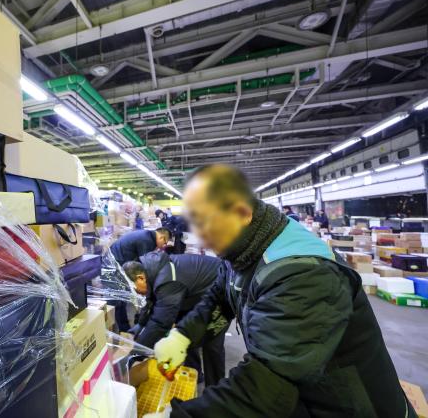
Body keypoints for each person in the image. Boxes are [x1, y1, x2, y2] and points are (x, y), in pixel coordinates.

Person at [152, 164, 414, 418]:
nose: (203, 238)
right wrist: (183, 337)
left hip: (347, 406)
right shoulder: (242, 249)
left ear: (243, 213)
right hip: (305, 400)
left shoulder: (304, 273)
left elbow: (270, 382)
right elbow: (220, 299)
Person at [123, 251, 232, 385]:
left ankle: (216, 392)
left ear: (140, 278)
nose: (136, 293)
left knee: (212, 345)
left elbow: (161, 323)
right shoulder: (153, 271)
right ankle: (195, 375)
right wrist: (140, 324)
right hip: (194, 295)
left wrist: (136, 353)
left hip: (221, 292)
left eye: (134, 289)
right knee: (186, 331)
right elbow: (152, 302)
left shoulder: (167, 281)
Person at [108, 228, 171, 331]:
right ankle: (121, 331)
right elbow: (146, 266)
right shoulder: (147, 240)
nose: (163, 246)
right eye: (164, 243)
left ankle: (123, 329)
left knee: (123, 297)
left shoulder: (147, 236)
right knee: (118, 299)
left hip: (120, 262)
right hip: (115, 264)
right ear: (161, 237)